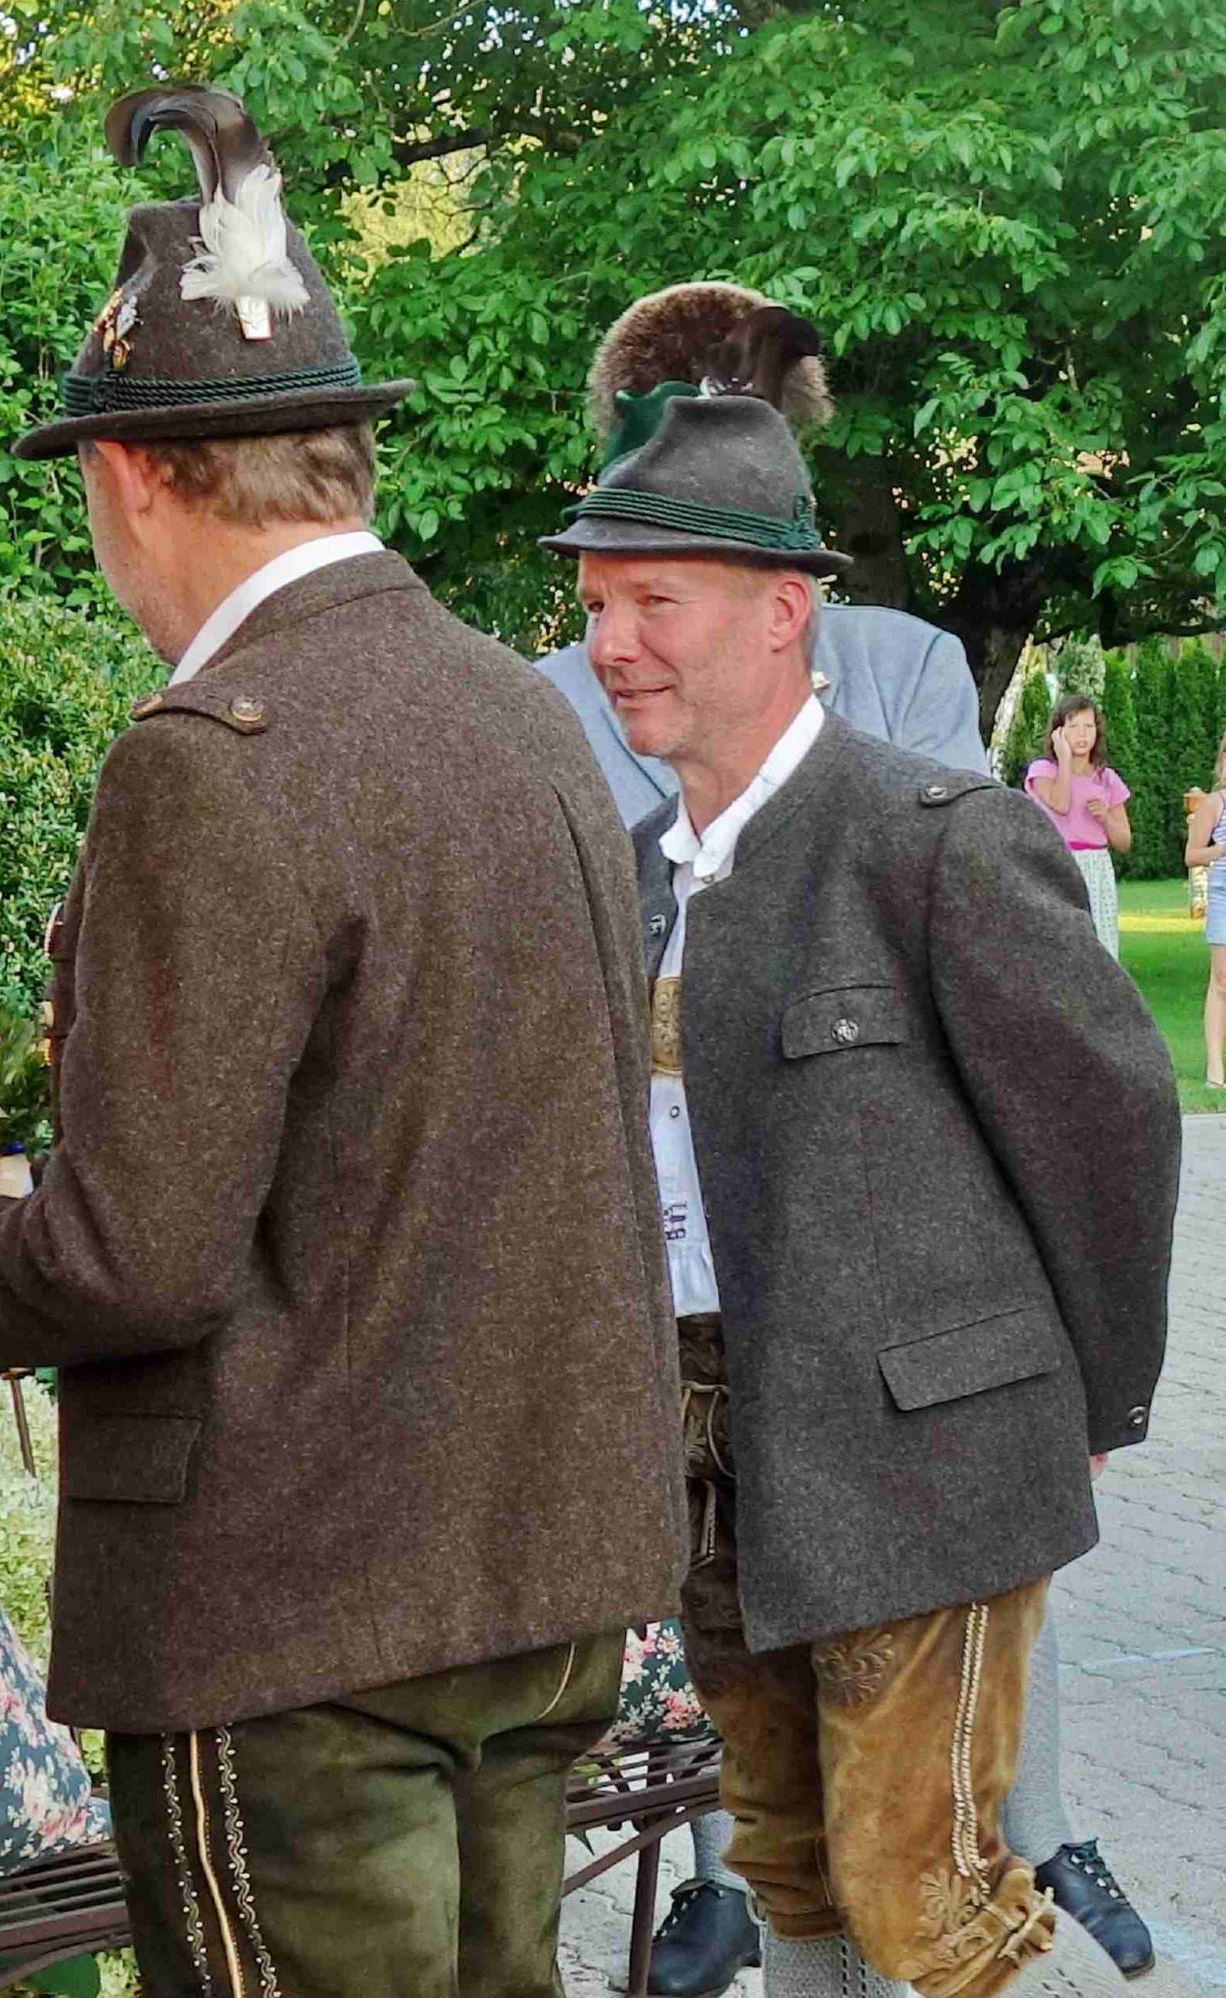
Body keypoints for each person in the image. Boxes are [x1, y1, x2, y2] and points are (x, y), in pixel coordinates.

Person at [0, 86, 687, 1998]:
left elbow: (136, 1258)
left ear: (133, 474)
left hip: (300, 1609)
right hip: (539, 1570)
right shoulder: (520, 709)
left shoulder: (209, 757)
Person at [540, 314, 1178, 1998]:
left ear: (783, 610)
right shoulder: (634, 869)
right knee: (789, 1857)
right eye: (595, 604)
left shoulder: (935, 839)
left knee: (924, 1889)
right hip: (712, 1445)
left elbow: (1110, 1128)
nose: (612, 643)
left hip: (921, 1452)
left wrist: (1088, 1399)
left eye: (654, 600)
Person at [1023, 697, 1131, 956]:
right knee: (1057, 940)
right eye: (1073, 726)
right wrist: (1065, 759)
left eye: (1088, 726)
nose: (1082, 734)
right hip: (1056, 861)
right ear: (1058, 732)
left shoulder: (1107, 778)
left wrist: (1105, 817)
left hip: (1096, 865)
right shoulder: (1043, 770)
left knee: (1100, 941)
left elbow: (1124, 842)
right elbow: (1060, 804)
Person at [1190, 736, 1226, 1089]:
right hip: (1223, 897)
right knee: (1222, 980)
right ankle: (1215, 1070)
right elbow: (1192, 855)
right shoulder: (1216, 803)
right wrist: (1221, 850)